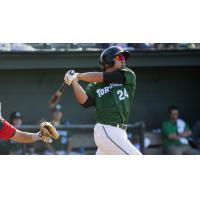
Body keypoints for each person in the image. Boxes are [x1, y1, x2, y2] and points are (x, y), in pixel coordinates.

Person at [64, 46, 142, 155]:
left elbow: (104, 77)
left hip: (121, 132)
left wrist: (78, 75)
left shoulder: (127, 74)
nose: (123, 60)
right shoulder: (95, 85)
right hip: (107, 129)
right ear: (109, 61)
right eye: (119, 57)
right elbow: (85, 102)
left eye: (124, 58)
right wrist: (74, 81)